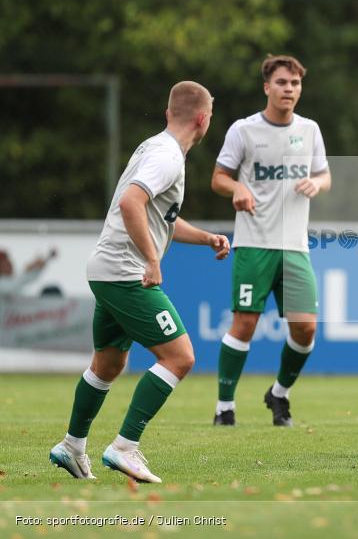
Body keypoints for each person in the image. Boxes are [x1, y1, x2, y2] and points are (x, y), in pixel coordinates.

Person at [49, 81, 230, 483]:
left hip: (106, 269)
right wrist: (151, 259)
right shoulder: (167, 156)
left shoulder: (154, 147)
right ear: (203, 120)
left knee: (109, 363)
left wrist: (205, 238)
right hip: (124, 273)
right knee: (180, 357)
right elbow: (131, 202)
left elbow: (158, 217)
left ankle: (72, 446)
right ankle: (124, 447)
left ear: (169, 113)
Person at [211, 54, 330, 427]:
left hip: (295, 247)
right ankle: (224, 407)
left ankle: (279, 393)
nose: (288, 89)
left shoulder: (309, 129)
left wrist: (317, 183)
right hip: (254, 243)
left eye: (295, 83)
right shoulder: (244, 130)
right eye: (281, 82)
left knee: (306, 329)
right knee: (245, 323)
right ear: (267, 87)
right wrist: (237, 188)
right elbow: (218, 177)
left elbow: (325, 175)